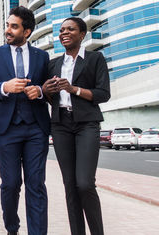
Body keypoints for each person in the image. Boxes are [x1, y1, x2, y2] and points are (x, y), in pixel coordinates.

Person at [0, 6, 50, 235]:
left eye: (14, 26)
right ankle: (12, 228)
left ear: (27, 31)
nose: (8, 30)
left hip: (36, 129)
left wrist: (39, 91)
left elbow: (49, 90)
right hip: (6, 128)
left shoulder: (43, 56)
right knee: (10, 184)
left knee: (36, 184)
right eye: (7, 25)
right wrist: (5, 87)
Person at [42, 17, 110, 235]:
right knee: (70, 186)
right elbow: (46, 97)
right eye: (61, 30)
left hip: (87, 124)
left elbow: (103, 94)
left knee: (85, 184)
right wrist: (46, 89)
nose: (64, 33)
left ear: (82, 35)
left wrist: (74, 90)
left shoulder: (94, 59)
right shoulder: (53, 64)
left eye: (70, 29)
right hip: (61, 125)